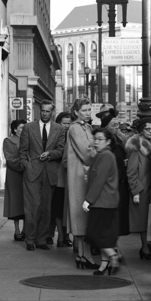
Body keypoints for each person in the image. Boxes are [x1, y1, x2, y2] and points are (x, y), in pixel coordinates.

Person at [18, 101, 65, 251]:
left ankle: (41, 239)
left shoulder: (59, 129)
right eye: (42, 111)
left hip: (50, 172)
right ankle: (30, 239)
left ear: (52, 112)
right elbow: (22, 150)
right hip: (32, 172)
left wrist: (50, 154)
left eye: (47, 111)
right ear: (40, 111)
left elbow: (61, 150)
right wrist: (26, 166)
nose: (44, 114)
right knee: (33, 207)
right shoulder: (28, 127)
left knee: (46, 208)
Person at [64, 98, 101, 269]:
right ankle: (83, 255)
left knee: (83, 215)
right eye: (85, 110)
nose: (88, 113)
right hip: (80, 176)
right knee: (81, 215)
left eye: (89, 110)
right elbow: (87, 153)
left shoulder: (86, 127)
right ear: (76, 111)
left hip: (83, 175)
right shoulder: (75, 128)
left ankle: (82, 255)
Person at [82, 127, 120, 275]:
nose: (96, 142)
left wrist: (88, 200)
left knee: (95, 234)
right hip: (105, 201)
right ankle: (104, 266)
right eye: (95, 139)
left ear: (108, 141)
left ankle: (113, 256)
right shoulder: (102, 155)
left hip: (103, 202)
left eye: (100, 139)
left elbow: (100, 180)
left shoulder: (105, 156)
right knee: (104, 235)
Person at [126, 117, 151, 259]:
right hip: (142, 189)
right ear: (141, 130)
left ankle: (148, 247)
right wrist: (135, 191)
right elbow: (131, 172)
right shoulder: (136, 147)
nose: (150, 131)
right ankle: (145, 248)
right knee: (143, 221)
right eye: (147, 129)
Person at [50, 112, 72, 247]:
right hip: (58, 178)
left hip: (69, 178)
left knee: (67, 209)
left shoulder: (72, 136)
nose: (66, 126)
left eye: (69, 123)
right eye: (64, 123)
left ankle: (65, 236)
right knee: (58, 209)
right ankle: (60, 237)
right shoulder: (55, 137)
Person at [2, 119, 26, 241]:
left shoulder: (29, 140)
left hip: (28, 175)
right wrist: (25, 165)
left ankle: (26, 229)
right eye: (21, 128)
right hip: (15, 175)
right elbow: (10, 159)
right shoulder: (9, 141)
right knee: (16, 203)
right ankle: (17, 230)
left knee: (27, 202)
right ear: (15, 129)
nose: (23, 130)